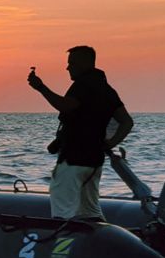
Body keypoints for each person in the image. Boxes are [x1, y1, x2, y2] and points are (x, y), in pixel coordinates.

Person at [27, 45, 133, 221]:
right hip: (94, 162)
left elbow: (66, 105)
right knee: (91, 213)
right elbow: (127, 122)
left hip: (73, 160)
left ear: (85, 63)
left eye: (72, 63)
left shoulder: (82, 85)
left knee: (63, 212)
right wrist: (110, 144)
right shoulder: (107, 89)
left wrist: (41, 87)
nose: (68, 67)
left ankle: (62, 244)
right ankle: (97, 243)